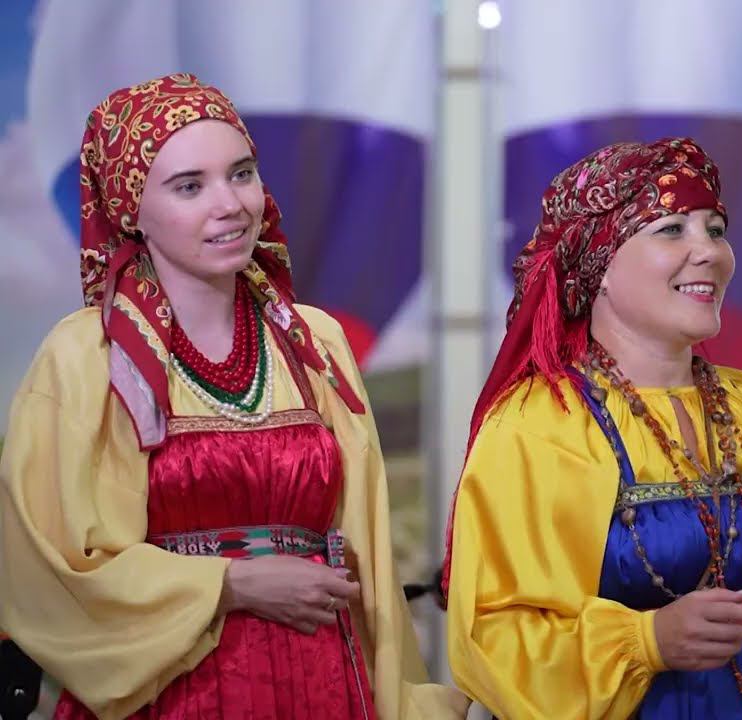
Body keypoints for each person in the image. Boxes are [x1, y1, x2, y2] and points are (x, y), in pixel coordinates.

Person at [0, 73, 468, 720]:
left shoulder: (312, 339)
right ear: (131, 209)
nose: (231, 204)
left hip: (322, 680)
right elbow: (47, 566)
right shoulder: (87, 355)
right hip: (169, 690)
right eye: (190, 186)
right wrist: (231, 584)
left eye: (242, 174)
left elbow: (366, 552)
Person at [444, 138, 742, 719]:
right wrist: (646, 641)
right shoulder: (542, 422)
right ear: (599, 263)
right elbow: (494, 634)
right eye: (672, 229)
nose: (709, 252)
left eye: (716, 229)